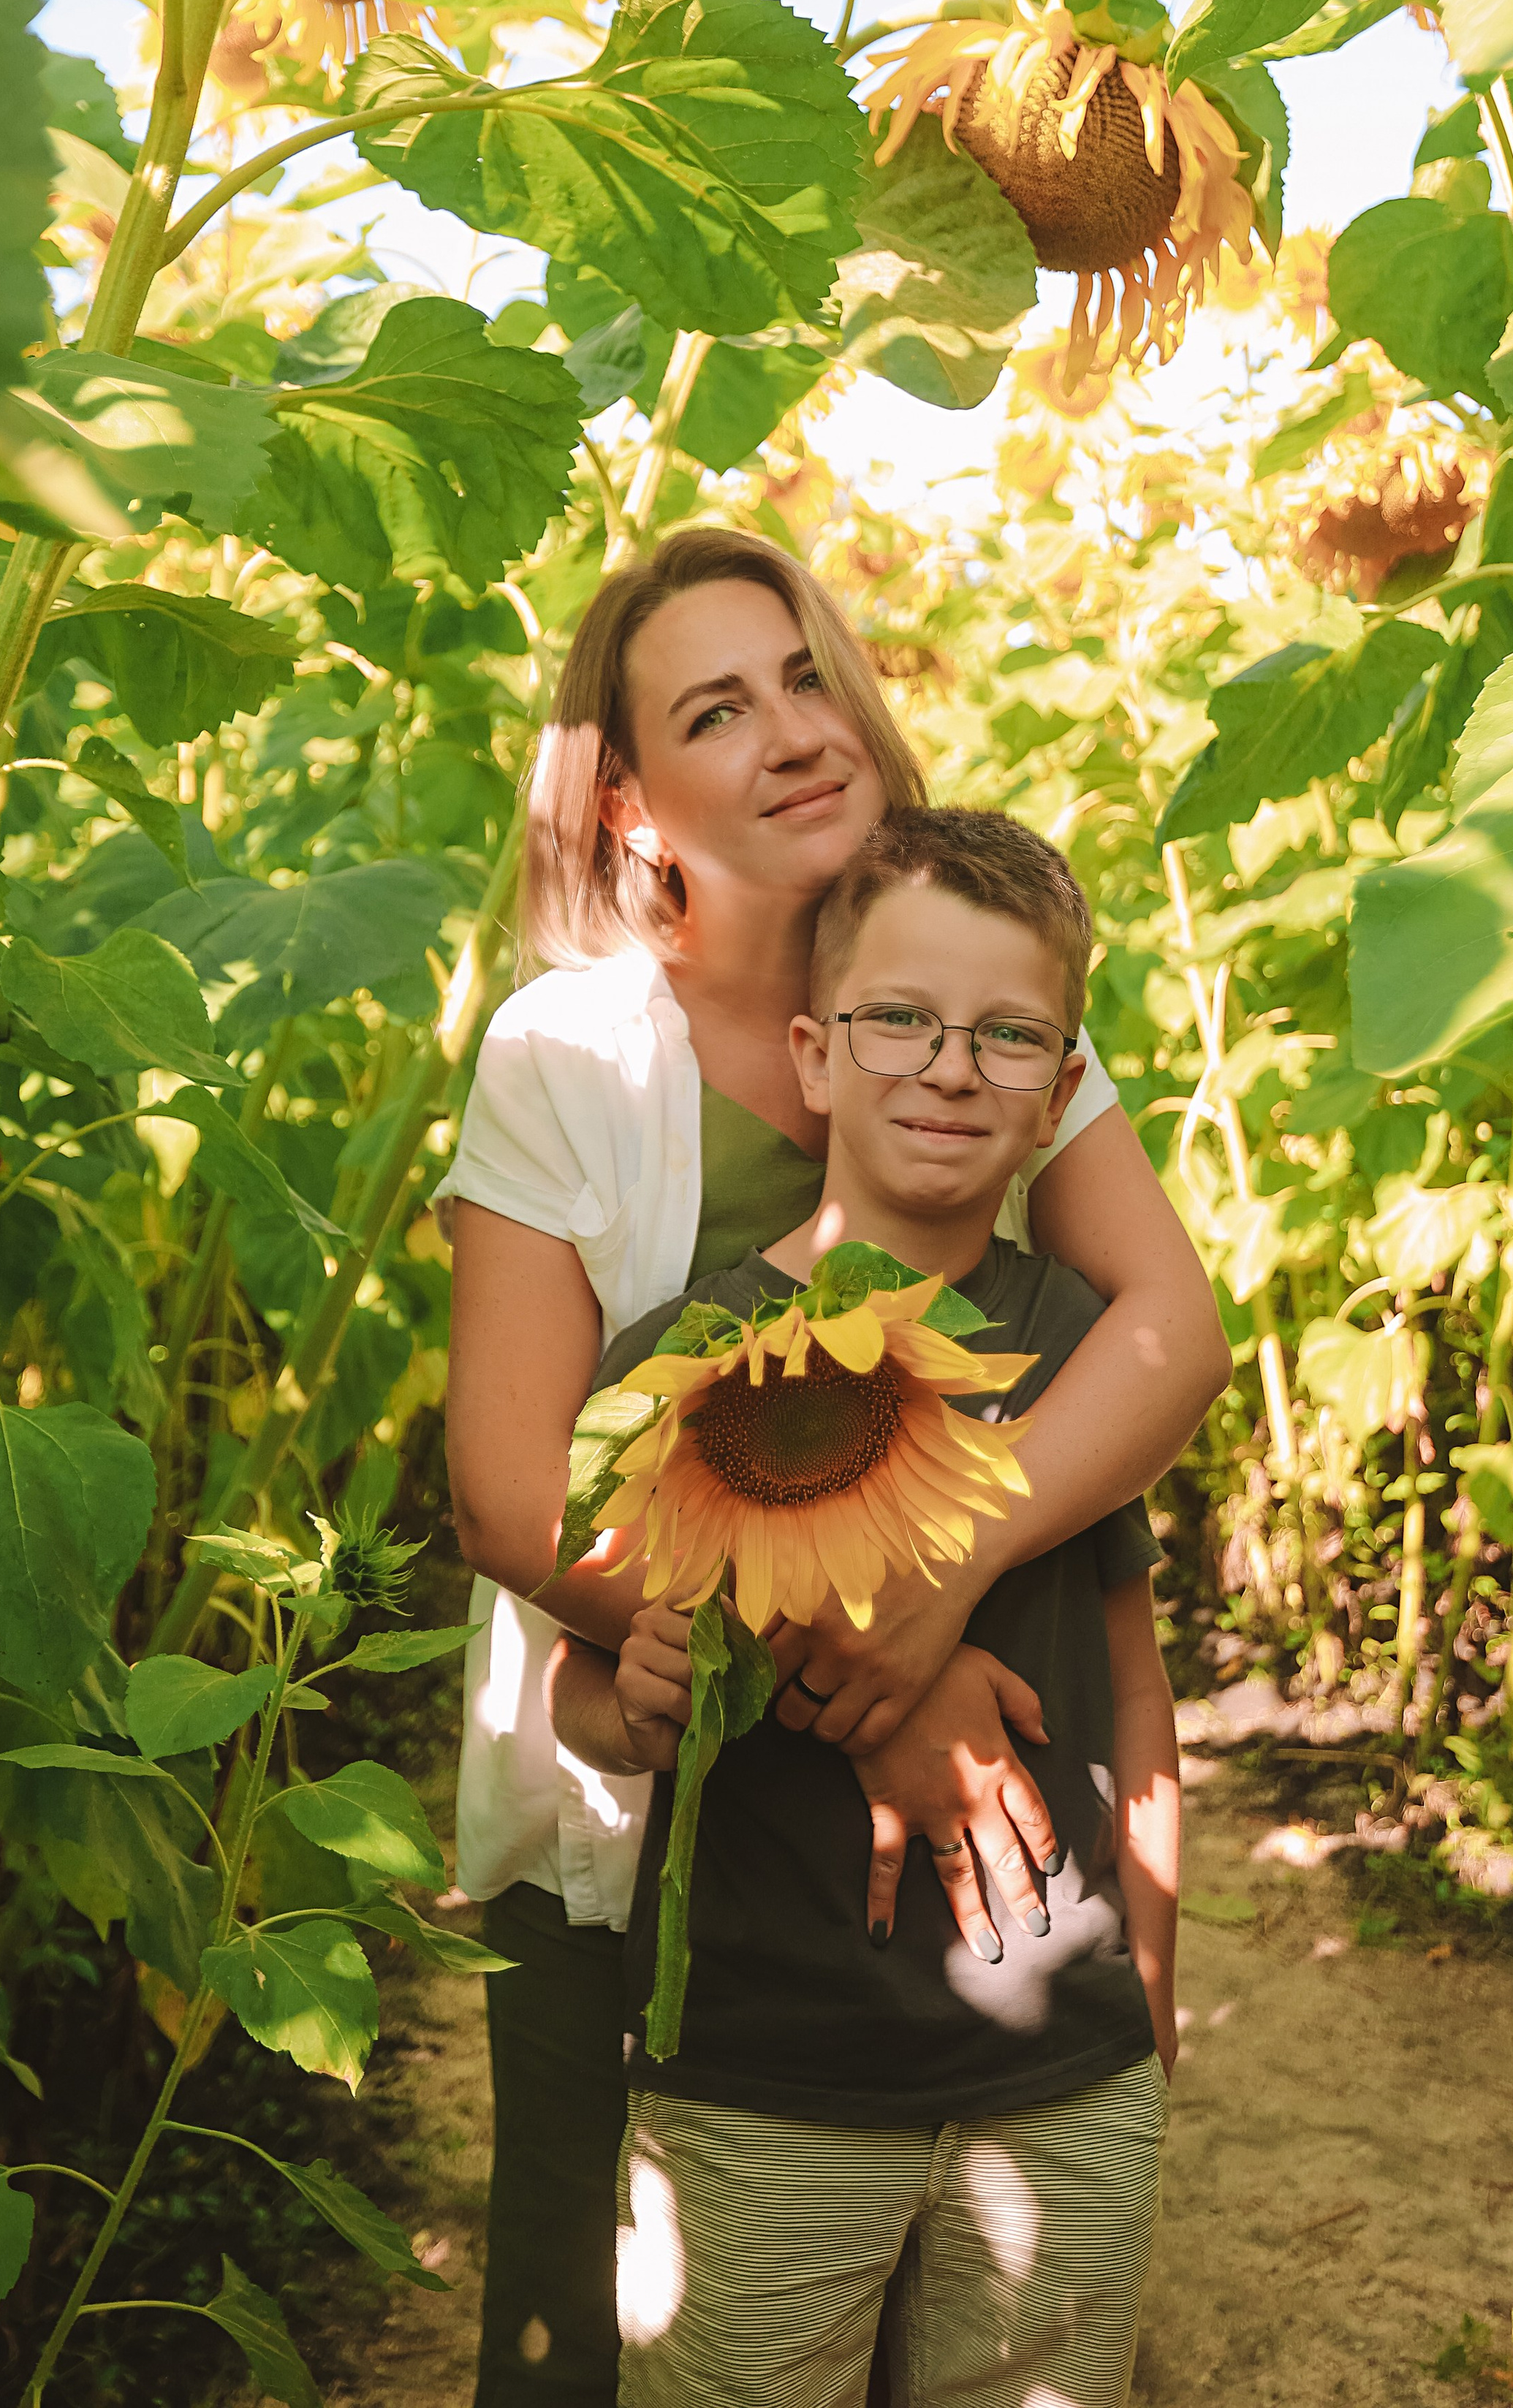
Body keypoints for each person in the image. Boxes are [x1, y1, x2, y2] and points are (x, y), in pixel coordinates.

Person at [440, 529, 1225, 2407]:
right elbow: (513, 1500)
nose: (793, 730)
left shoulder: (966, 983)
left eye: (804, 674)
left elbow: (1162, 1332)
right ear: (629, 808)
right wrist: (862, 1685)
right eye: (717, 711)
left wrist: (939, 1584)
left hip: (963, 1863)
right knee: (599, 2326)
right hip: (654, 1816)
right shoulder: (571, 1055)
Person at [548, 805, 1181, 2408]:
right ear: (814, 1056)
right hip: (765, 2077)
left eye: (1005, 1036)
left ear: (1057, 1093)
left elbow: (1128, 1667)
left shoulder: (1076, 1348)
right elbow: (576, 1679)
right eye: (900, 1020)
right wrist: (623, 1703)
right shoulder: (680, 1364)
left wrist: (1150, 1977)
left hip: (1058, 2063)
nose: (950, 1068)